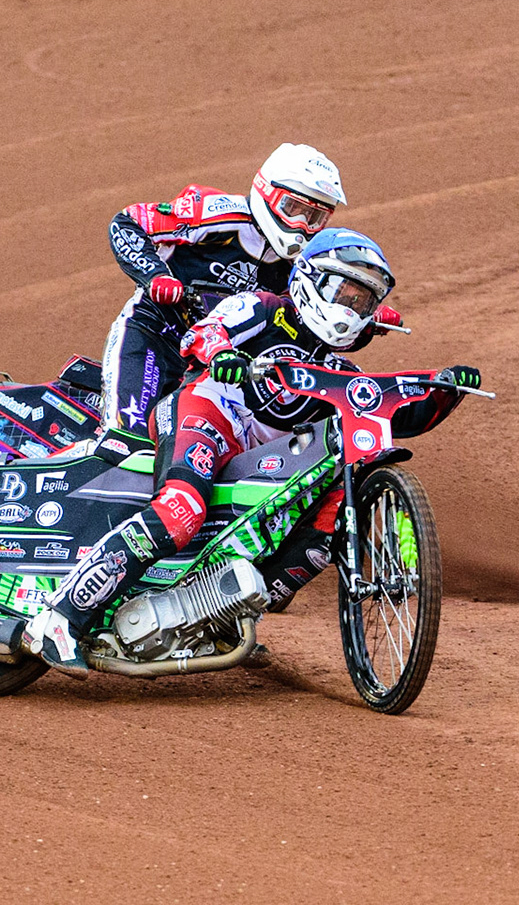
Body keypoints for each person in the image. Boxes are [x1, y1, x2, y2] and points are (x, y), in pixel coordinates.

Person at [27, 229, 481, 674]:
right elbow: (202, 333)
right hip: (207, 411)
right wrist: (221, 352)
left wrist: (446, 391)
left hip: (259, 457)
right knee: (181, 510)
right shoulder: (261, 307)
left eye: (362, 300)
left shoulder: (342, 368)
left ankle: (214, 617)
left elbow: (401, 417)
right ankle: (60, 617)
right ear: (309, 279)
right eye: (343, 292)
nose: (350, 308)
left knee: (320, 522)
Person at [95, 143, 400, 460]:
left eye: (315, 217)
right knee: (125, 444)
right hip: (155, 335)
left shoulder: (305, 266)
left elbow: (307, 324)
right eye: (294, 209)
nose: (302, 226)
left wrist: (362, 317)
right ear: (267, 192)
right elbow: (129, 221)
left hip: (224, 362)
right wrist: (156, 276)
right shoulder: (218, 214)